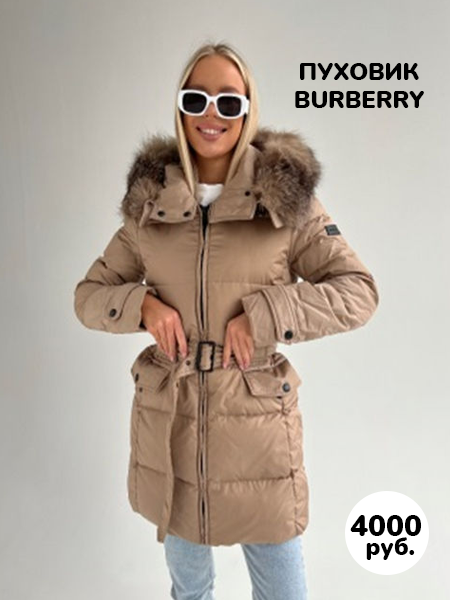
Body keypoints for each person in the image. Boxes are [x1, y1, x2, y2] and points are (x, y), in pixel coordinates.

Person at [73, 41, 379, 600]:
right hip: (173, 427)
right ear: (180, 108)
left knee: (283, 592)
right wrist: (142, 305)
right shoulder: (149, 206)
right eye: (196, 99)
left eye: (228, 101)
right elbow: (89, 296)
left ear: (248, 109)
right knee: (190, 591)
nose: (210, 114)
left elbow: (358, 291)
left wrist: (267, 313)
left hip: (257, 429)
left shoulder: (285, 203)